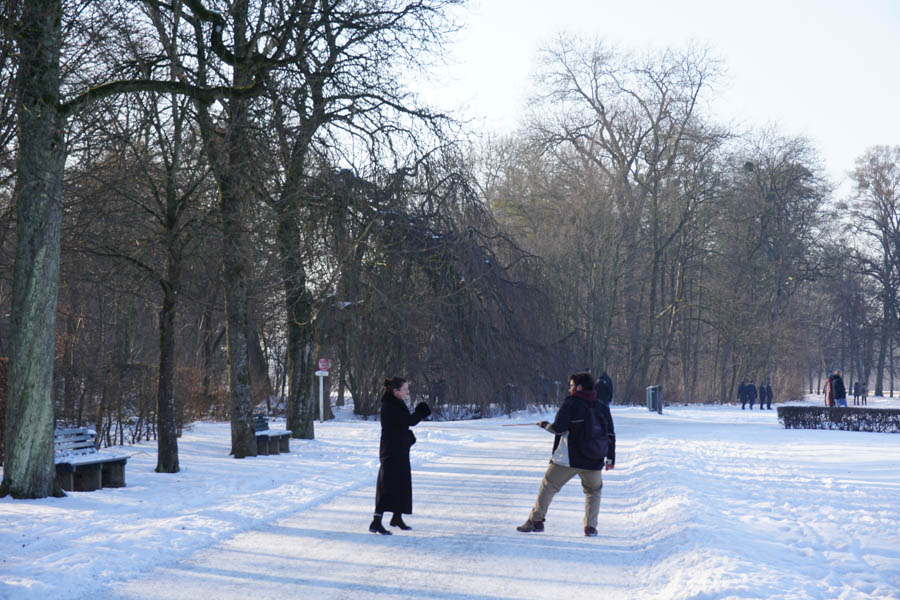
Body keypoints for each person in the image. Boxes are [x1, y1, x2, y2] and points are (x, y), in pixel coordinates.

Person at [517, 372, 616, 537]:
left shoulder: (571, 404)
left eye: (570, 385)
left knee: (549, 485)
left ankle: (536, 520)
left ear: (578, 387)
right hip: (594, 459)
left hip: (568, 459)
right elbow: (610, 434)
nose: (569, 388)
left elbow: (559, 428)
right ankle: (590, 528)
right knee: (594, 491)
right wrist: (610, 458)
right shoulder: (602, 406)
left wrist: (545, 425)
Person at [369, 377, 431, 535]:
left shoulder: (396, 402)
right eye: (405, 390)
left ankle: (397, 517)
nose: (407, 392)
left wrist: (407, 438)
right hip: (390, 451)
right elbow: (407, 421)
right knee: (387, 484)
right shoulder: (389, 405)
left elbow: (402, 426)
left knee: (402, 483)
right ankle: (376, 521)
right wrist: (421, 412)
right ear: (395, 391)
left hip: (399, 449)